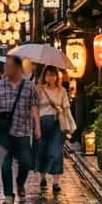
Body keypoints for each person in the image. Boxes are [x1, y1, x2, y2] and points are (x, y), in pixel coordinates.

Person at [0, 59, 37, 204]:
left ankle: (20, 183)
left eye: (9, 67)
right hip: (4, 131)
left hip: (23, 130)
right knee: (5, 164)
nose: (6, 69)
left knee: (26, 162)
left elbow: (34, 106)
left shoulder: (29, 86)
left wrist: (37, 126)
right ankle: (8, 195)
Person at [32, 65, 72, 194]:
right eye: (48, 74)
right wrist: (35, 124)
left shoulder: (62, 91)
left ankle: (56, 182)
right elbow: (34, 107)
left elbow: (66, 108)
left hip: (57, 123)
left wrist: (68, 123)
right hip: (42, 123)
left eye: (53, 74)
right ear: (44, 76)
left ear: (57, 76)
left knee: (56, 152)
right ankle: (43, 177)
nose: (51, 77)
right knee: (42, 150)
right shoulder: (39, 89)